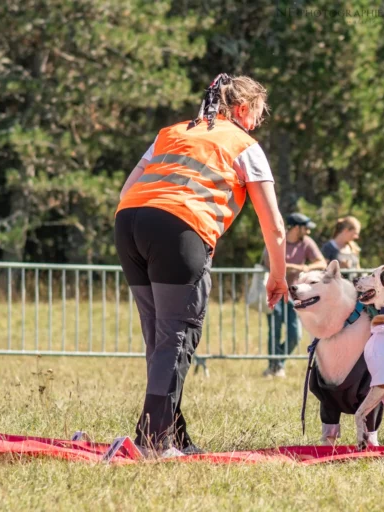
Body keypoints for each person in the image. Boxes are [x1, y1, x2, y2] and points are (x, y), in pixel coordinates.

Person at [115, 74, 288, 456]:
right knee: (177, 336)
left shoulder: (172, 132)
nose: (258, 123)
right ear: (242, 110)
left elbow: (128, 189)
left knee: (160, 339)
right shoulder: (244, 143)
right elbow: (273, 224)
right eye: (258, 114)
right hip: (178, 227)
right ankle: (153, 442)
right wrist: (278, 276)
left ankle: (171, 432)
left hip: (129, 222)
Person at [262, 212, 326, 377]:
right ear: (296, 228)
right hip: (276, 293)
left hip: (295, 296)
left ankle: (278, 363)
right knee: (274, 331)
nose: (308, 232)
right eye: (306, 228)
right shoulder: (277, 240)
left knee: (294, 334)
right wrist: (291, 267)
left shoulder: (306, 243)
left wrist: (304, 268)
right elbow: (268, 262)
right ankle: (274, 367)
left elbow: (322, 262)